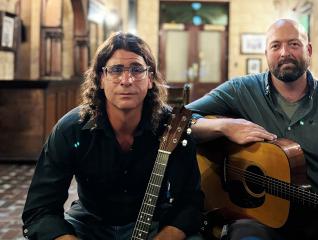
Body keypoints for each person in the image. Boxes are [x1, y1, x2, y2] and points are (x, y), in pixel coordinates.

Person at [187, 19, 318, 240]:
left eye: (294, 44)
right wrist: (223, 126)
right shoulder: (240, 91)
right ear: (266, 53)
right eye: (275, 46)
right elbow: (179, 121)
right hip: (256, 218)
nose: (284, 52)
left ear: (308, 49)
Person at [22, 32, 204, 240]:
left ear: (150, 80)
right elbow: (39, 210)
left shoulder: (172, 126)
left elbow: (191, 201)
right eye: (116, 70)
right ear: (101, 79)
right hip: (89, 222)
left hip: (155, 222)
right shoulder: (70, 129)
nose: (126, 80)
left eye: (137, 69)